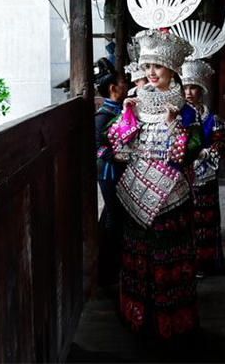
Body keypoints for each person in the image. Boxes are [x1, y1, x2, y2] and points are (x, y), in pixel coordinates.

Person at [108, 30, 203, 340]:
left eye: (157, 67)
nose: (150, 73)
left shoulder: (188, 111)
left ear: (172, 70)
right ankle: (138, 320)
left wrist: (175, 125)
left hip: (172, 199)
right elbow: (118, 151)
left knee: (169, 260)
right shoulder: (133, 104)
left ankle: (172, 325)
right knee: (137, 258)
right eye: (147, 66)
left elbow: (191, 152)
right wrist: (126, 117)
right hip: (135, 196)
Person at [181, 59, 225, 276]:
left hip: (205, 176)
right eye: (184, 87)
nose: (188, 92)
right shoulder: (177, 117)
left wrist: (206, 152)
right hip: (182, 177)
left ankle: (204, 263)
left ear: (201, 90)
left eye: (193, 87)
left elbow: (223, 143)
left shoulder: (212, 118)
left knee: (206, 221)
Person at [94, 58, 129, 286]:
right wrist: (114, 156)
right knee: (114, 218)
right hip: (108, 171)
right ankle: (107, 272)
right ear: (112, 89)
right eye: (122, 81)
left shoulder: (120, 110)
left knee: (113, 215)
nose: (125, 84)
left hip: (118, 169)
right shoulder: (103, 116)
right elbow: (97, 146)